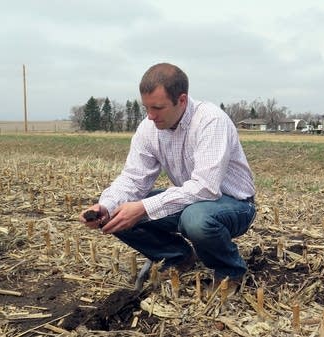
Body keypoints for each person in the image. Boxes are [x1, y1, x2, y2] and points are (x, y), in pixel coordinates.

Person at [79, 62, 256, 292]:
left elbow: (205, 188)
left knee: (195, 219)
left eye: (158, 108)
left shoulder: (210, 121)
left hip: (234, 204)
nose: (150, 116)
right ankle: (177, 256)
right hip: (191, 201)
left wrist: (143, 207)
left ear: (181, 100)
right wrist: (106, 206)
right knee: (118, 212)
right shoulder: (148, 128)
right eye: (146, 108)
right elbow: (133, 178)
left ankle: (230, 271)